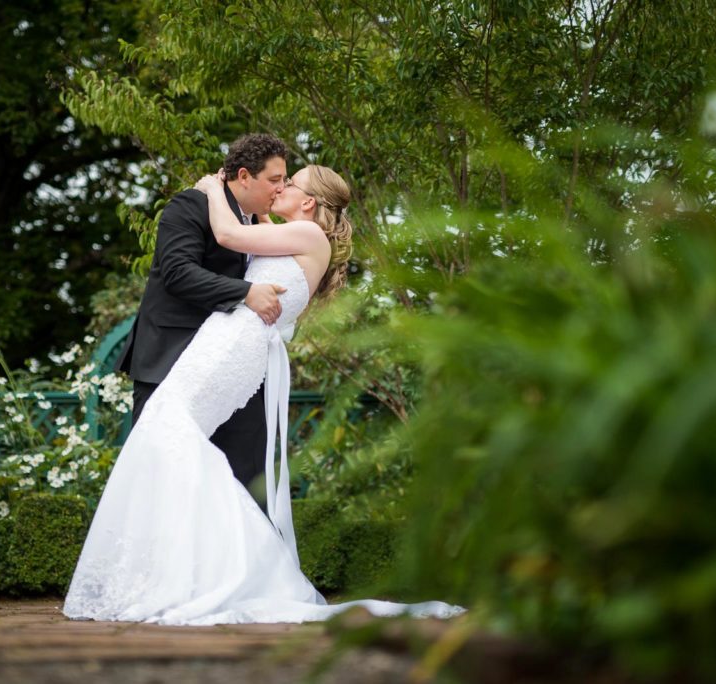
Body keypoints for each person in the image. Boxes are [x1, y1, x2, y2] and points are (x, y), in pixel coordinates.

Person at [62, 157, 463, 624]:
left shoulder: (310, 236)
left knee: (167, 428)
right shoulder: (291, 232)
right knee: (172, 436)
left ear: (309, 201)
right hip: (227, 339)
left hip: (234, 344)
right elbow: (246, 230)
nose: (279, 189)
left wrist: (213, 188)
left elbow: (231, 236)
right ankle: (198, 572)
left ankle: (209, 573)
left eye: (288, 183)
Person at [114, 133, 291, 491]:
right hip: (170, 360)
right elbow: (178, 273)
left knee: (237, 482)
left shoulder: (255, 222)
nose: (281, 189)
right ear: (244, 176)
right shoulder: (189, 205)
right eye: (275, 180)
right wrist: (246, 293)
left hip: (228, 368)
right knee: (161, 481)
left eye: (285, 181)